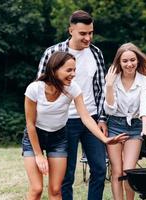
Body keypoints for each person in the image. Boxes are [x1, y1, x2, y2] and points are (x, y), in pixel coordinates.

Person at [23, 52, 127, 200]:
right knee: (37, 189)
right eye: (69, 70)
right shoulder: (35, 89)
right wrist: (39, 155)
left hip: (58, 138)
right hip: (34, 137)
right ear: (54, 70)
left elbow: (85, 117)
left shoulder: (72, 88)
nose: (73, 74)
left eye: (74, 70)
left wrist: (104, 139)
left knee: (55, 190)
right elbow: (30, 124)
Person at [37, 10, 108, 200]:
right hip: (63, 121)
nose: (88, 37)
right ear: (71, 30)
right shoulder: (53, 53)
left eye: (91, 33)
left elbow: (101, 88)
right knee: (66, 175)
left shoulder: (96, 53)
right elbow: (41, 89)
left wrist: (102, 117)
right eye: (83, 33)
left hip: (91, 119)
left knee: (100, 169)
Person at [104, 42, 146, 200]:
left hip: (135, 127)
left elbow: (145, 106)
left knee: (128, 171)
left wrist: (145, 128)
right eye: (125, 61)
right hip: (115, 125)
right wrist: (109, 85)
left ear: (138, 60)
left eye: (132, 60)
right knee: (117, 171)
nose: (129, 64)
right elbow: (110, 109)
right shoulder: (113, 80)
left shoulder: (144, 81)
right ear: (119, 62)